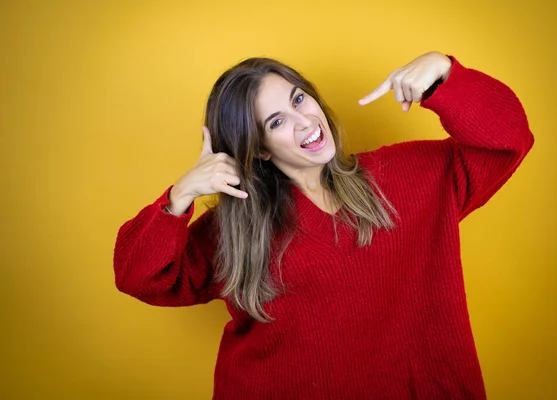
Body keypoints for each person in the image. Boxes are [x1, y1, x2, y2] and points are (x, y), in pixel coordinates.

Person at [113, 51, 534, 399]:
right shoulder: (237, 227)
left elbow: (509, 138)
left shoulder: (408, 175)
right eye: (276, 122)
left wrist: (446, 76)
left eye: (299, 100)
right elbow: (140, 277)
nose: (304, 122)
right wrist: (177, 198)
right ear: (257, 150)